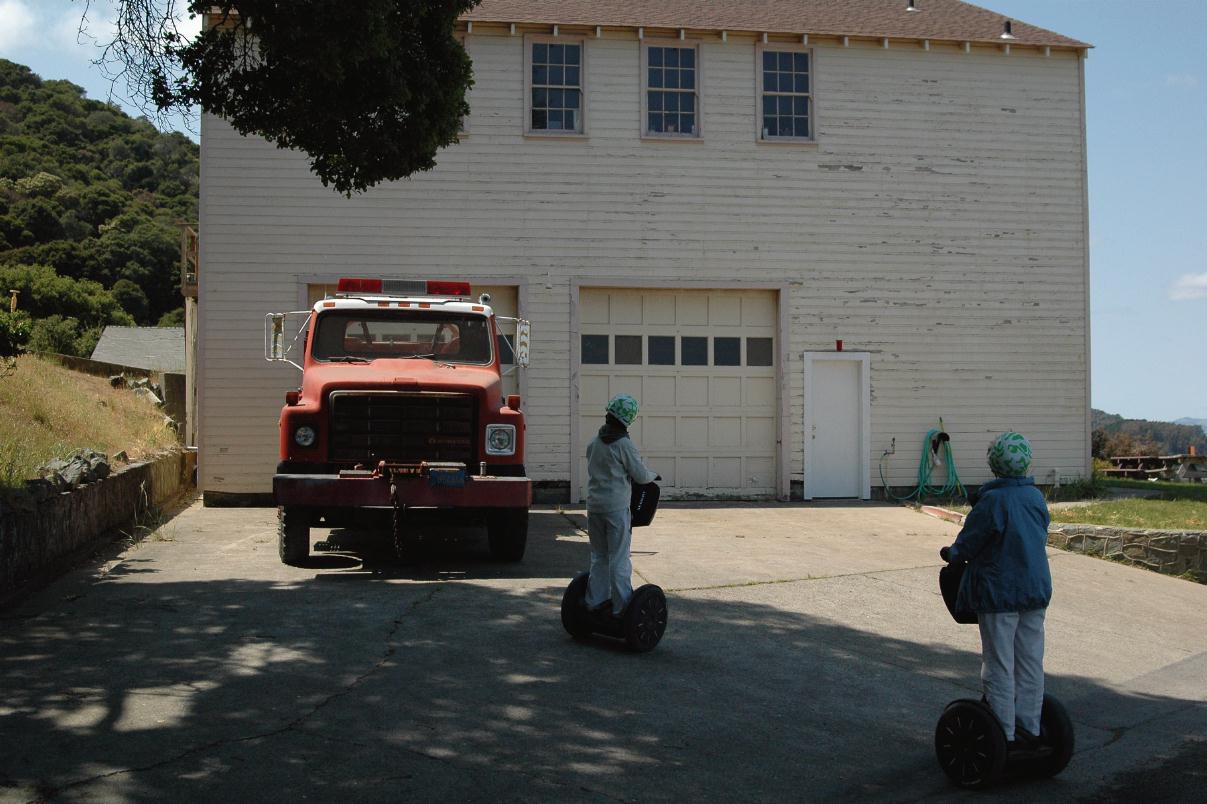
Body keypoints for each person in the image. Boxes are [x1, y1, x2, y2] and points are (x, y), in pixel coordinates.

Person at [941, 432, 1052, 746]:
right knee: (1030, 662)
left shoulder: (993, 501)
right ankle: (1029, 726)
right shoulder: (1035, 498)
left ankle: (1003, 734)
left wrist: (953, 554)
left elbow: (969, 542)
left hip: (999, 595)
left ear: (994, 465)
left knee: (999, 664)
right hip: (1035, 591)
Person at [584, 393, 658, 617]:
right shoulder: (624, 444)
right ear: (628, 420)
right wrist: (654, 474)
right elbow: (640, 475)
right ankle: (622, 607)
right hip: (615, 509)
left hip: (594, 507)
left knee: (599, 556)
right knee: (619, 558)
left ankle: (594, 602)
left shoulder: (594, 443)